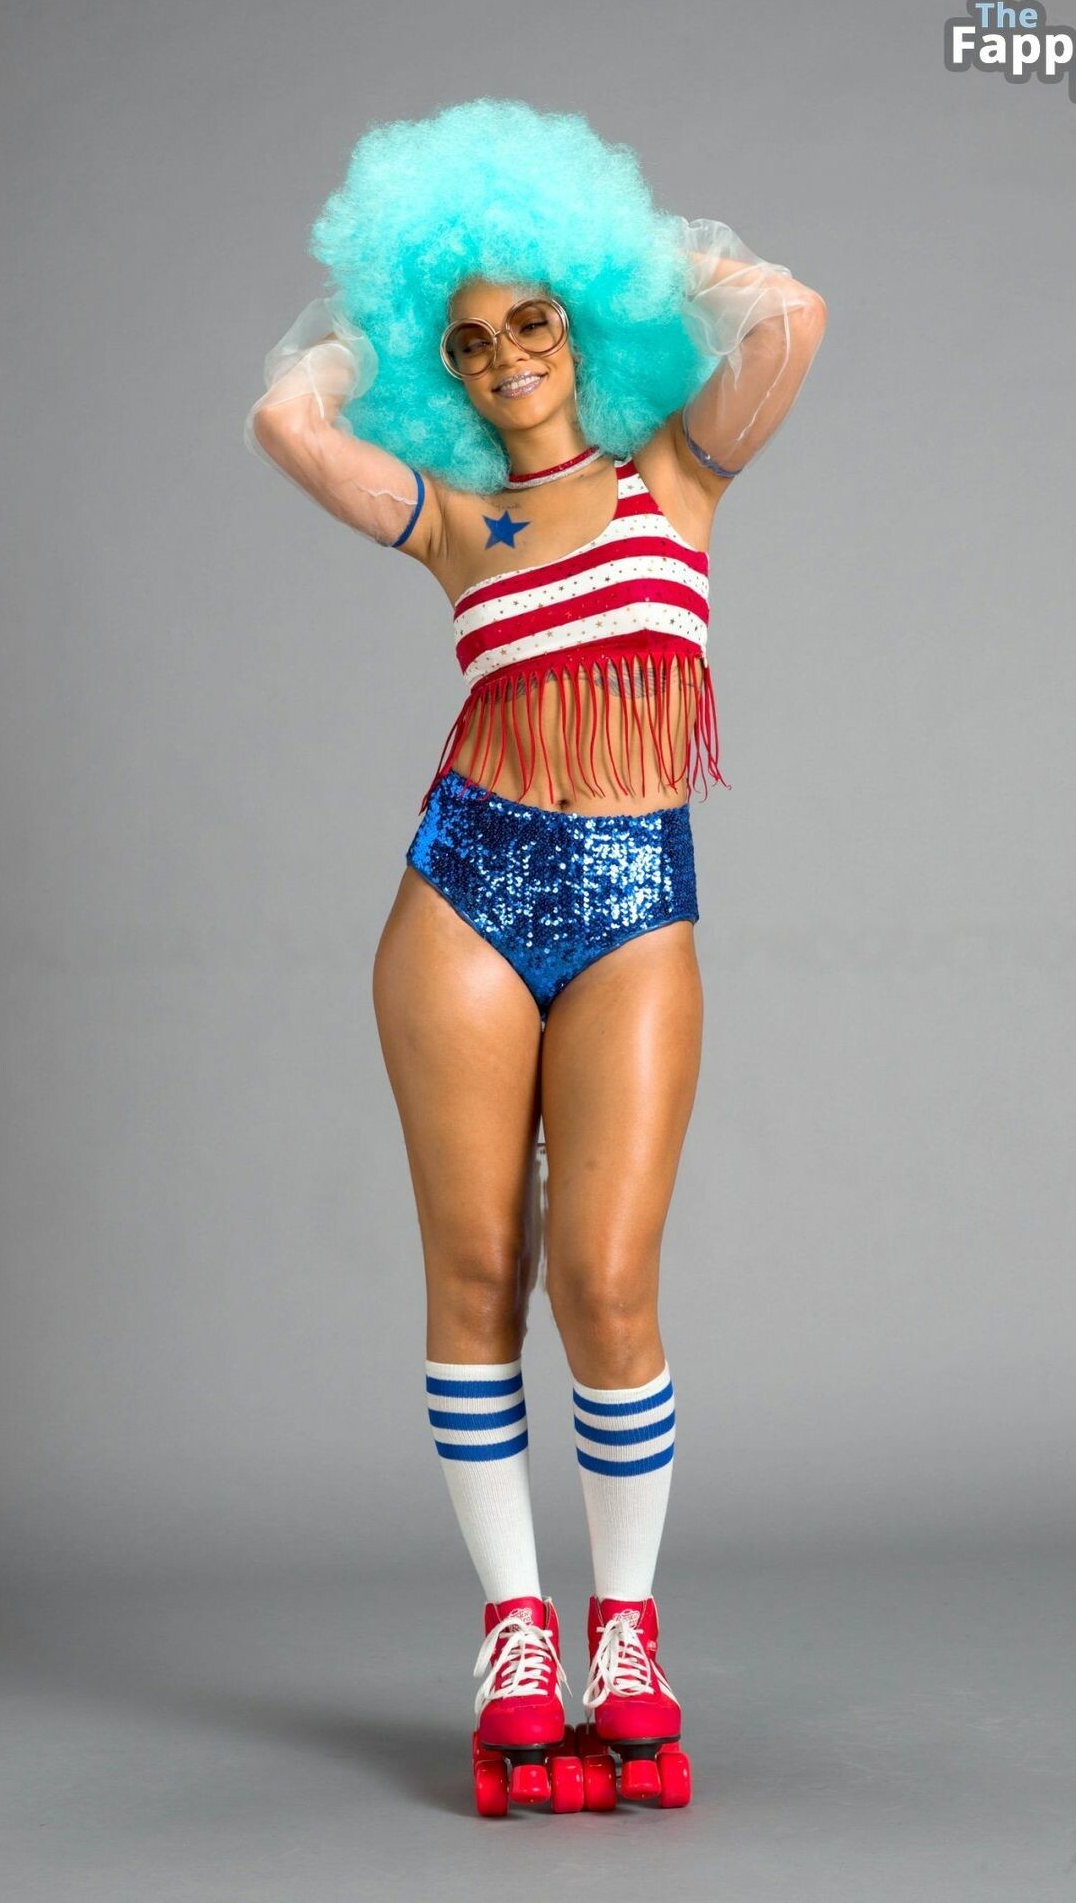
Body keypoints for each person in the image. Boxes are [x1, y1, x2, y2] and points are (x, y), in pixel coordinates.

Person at [244, 98, 826, 1814]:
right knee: (478, 1276)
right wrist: (368, 336)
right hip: (465, 892)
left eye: (534, 318)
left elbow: (790, 316)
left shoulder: (676, 478)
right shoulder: (451, 521)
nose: (505, 356)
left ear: (584, 323)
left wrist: (641, 255)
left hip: (636, 891)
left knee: (608, 1283)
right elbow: (284, 421)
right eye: (469, 340)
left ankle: (623, 1637)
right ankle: (517, 1639)